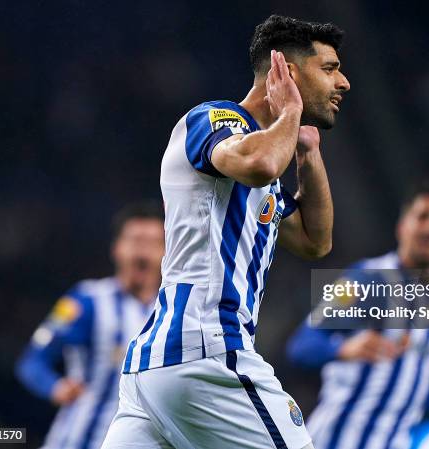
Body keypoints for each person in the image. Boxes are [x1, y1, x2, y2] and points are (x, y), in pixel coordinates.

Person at [101, 14, 350, 449]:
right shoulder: (216, 120)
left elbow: (316, 241)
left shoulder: (262, 151)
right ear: (286, 72)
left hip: (153, 372)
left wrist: (307, 154)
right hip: (207, 354)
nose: (343, 82)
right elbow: (258, 165)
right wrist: (290, 111)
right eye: (329, 69)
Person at [287, 176, 429, 449]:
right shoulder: (364, 279)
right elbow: (301, 345)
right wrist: (343, 349)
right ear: (402, 227)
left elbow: (409, 385)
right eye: (423, 216)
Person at [15, 201, 164, 449]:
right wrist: (56, 386)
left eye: (153, 243)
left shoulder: (172, 312)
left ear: (166, 251)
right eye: (136, 241)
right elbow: (32, 361)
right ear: (117, 249)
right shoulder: (85, 300)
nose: (143, 252)